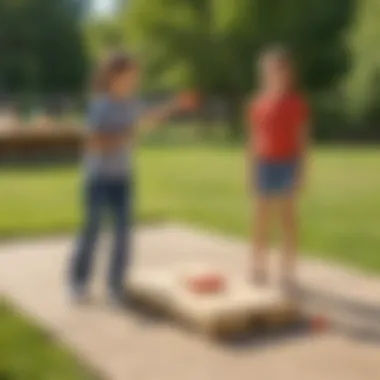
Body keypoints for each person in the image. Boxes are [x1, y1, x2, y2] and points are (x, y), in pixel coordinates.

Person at [68, 51, 196, 306]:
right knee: (92, 230)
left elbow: (146, 118)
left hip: (123, 179)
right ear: (114, 76)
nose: (135, 80)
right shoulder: (100, 105)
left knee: (123, 234)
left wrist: (174, 106)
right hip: (98, 180)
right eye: (131, 75)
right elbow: (93, 142)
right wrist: (123, 137)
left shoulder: (130, 104)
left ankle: (115, 286)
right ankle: (78, 283)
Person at [247, 46, 310, 292]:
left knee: (287, 220)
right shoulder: (258, 102)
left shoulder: (296, 104)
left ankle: (288, 273)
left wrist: (301, 171)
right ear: (265, 74)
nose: (275, 75)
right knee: (260, 219)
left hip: (287, 164)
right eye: (270, 71)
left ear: (288, 74)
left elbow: (302, 139)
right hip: (264, 164)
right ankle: (258, 267)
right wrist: (251, 169)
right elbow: (253, 138)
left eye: (280, 70)